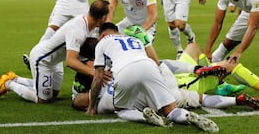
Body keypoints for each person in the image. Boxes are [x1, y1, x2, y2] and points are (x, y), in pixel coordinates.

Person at [86, 22, 218, 133]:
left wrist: (92, 107)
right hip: (149, 66)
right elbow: (155, 61)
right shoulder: (133, 39)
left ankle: (145, 117)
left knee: (121, 110)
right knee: (171, 110)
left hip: (124, 71)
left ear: (103, 35)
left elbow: (98, 77)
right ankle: (187, 116)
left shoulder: (102, 43)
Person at [0, 0, 110, 103]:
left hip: (55, 60)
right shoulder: (77, 30)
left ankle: (16, 78)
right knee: (43, 99)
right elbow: (70, 61)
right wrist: (92, 72)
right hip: (42, 59)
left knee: (53, 93)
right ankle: (8, 83)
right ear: (103, 18)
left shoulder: (88, 24)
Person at [106, 0, 159, 64]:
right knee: (106, 38)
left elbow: (153, 15)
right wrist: (108, 27)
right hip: (128, 22)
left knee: (144, 51)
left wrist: (140, 30)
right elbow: (111, 9)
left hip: (146, 26)